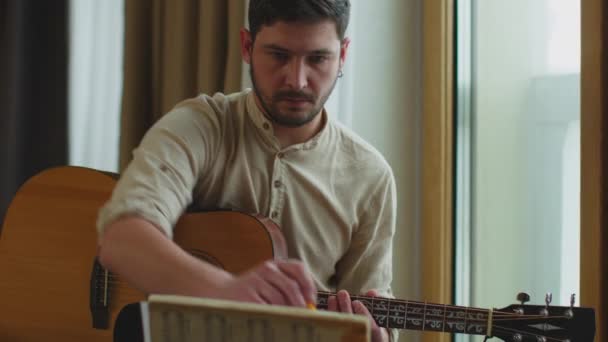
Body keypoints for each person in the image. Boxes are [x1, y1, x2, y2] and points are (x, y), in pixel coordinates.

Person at [96, 1, 397, 341]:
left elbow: (372, 315)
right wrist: (227, 290)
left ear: (342, 55)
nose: (297, 80)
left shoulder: (371, 176)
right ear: (247, 47)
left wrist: (373, 337)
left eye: (317, 59)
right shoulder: (201, 125)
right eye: (279, 55)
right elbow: (120, 239)